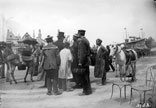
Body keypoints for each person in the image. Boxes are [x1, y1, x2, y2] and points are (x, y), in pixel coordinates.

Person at [77, 29, 92, 95]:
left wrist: (80, 62)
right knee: (87, 76)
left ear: (80, 34)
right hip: (87, 61)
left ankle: (86, 91)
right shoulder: (86, 40)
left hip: (84, 61)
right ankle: (88, 90)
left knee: (84, 77)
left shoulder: (82, 41)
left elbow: (82, 53)